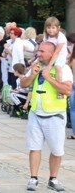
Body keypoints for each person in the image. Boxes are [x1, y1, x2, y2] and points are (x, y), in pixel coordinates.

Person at [20, 41, 72, 192]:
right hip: (36, 113)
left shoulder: (63, 69)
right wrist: (33, 74)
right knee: (34, 147)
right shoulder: (35, 66)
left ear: (51, 53)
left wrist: (49, 77)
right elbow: (23, 84)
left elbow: (67, 90)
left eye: (42, 51)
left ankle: (53, 178)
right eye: (38, 51)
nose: (39, 54)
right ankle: (33, 177)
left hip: (55, 116)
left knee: (56, 150)